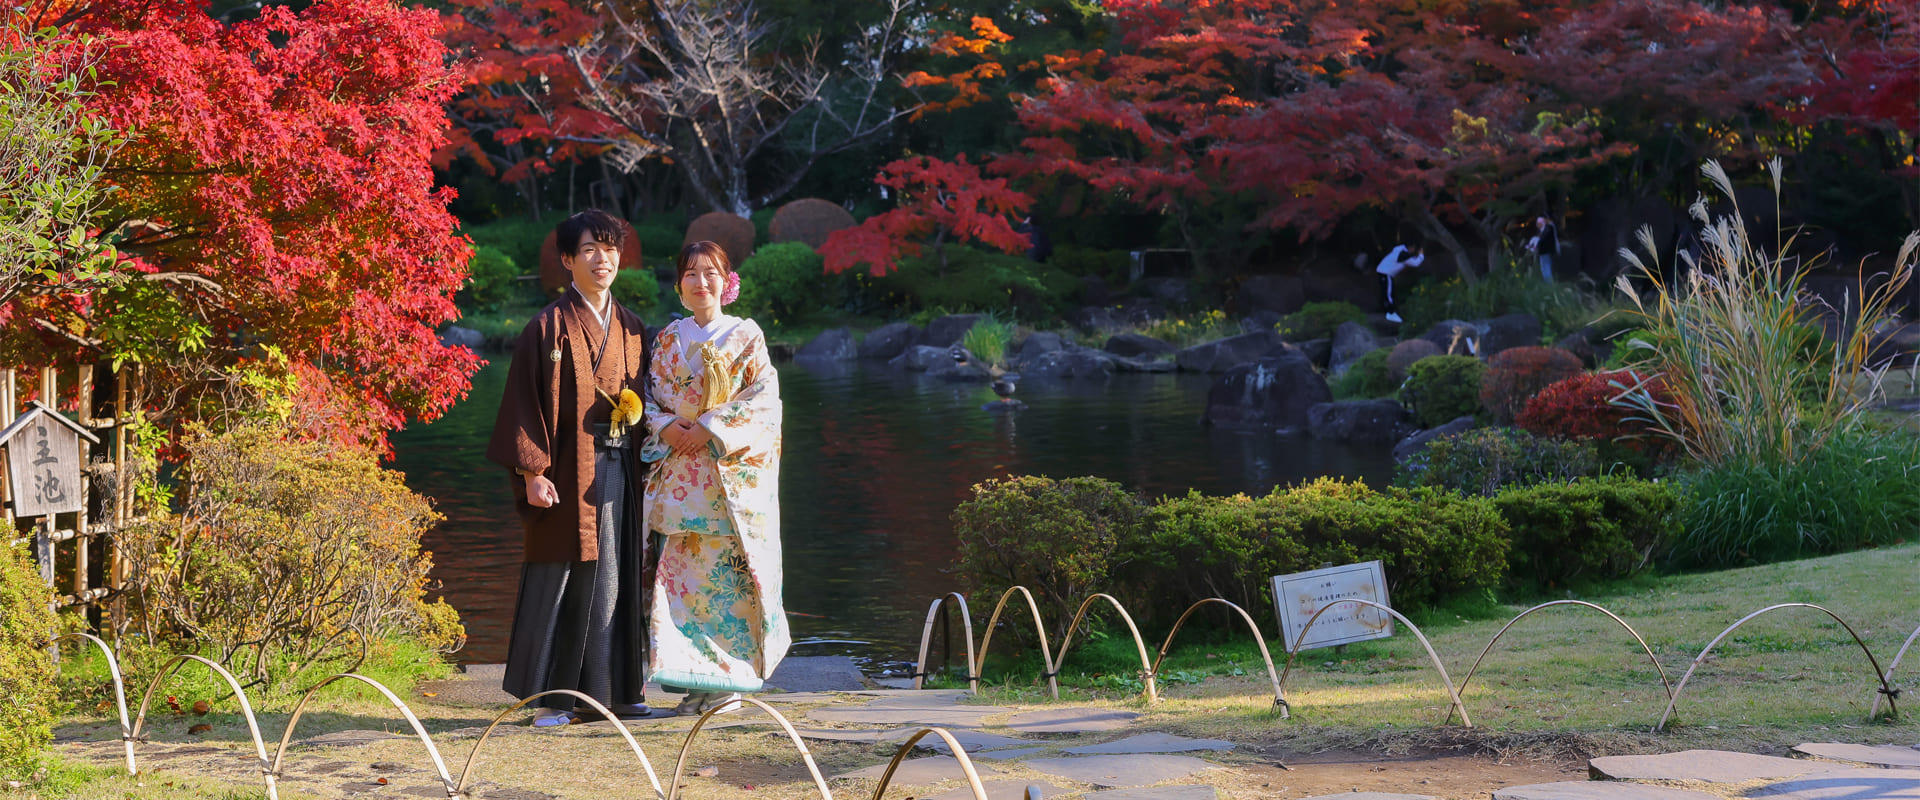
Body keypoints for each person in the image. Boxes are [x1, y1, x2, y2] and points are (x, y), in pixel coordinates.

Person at [487, 209, 657, 727]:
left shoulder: (631, 328)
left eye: (610, 248)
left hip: (621, 470)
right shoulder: (547, 327)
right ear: (567, 260)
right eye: (589, 249)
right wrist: (531, 473)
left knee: (616, 578)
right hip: (565, 472)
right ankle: (553, 700)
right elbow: (523, 403)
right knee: (563, 576)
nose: (602, 259)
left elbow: (653, 402)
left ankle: (619, 693)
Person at [641, 241, 789, 716]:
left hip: (727, 481)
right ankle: (694, 685)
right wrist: (666, 425)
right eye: (690, 273)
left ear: (727, 283)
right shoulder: (667, 339)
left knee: (727, 585)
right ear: (678, 285)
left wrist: (710, 426)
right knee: (678, 586)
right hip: (678, 476)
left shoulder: (745, 335)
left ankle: (728, 685)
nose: (700, 282)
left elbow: (764, 401)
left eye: (711, 273)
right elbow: (647, 397)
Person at [1375, 243, 1425, 324]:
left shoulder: (1399, 250)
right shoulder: (1402, 255)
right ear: (1410, 247)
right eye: (1413, 248)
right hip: (1385, 273)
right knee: (1388, 294)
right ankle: (1391, 313)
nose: (1413, 250)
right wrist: (1421, 255)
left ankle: (1384, 310)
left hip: (1385, 273)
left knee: (1387, 292)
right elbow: (1415, 263)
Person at [1531, 216, 1559, 281]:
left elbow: (1543, 240)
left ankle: (1549, 282)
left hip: (1545, 252)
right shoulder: (1544, 229)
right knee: (1544, 267)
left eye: (1538, 223)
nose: (1537, 225)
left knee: (1546, 267)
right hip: (1544, 251)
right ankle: (1548, 282)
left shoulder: (1548, 228)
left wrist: (1537, 241)